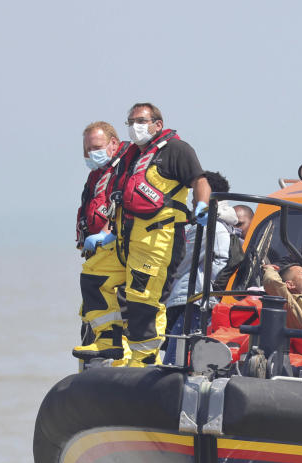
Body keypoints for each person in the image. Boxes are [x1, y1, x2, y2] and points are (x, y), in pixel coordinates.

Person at [75, 102, 212, 366]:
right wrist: (106, 233)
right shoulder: (131, 157)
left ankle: (144, 360)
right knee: (93, 278)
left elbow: (200, 180)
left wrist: (203, 204)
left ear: (157, 124)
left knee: (143, 301)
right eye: (131, 122)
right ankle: (108, 341)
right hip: (125, 239)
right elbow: (119, 200)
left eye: (141, 121)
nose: (135, 127)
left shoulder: (176, 150)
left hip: (158, 240)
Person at [163, 172, 238, 363]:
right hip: (202, 302)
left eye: (196, 192)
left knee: (174, 361)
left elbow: (180, 262)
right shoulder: (225, 226)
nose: (192, 199)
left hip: (195, 303)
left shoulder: (207, 225)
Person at [74, 120, 131, 359]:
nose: (91, 153)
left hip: (116, 244)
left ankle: (120, 349)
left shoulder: (125, 166)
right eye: (87, 149)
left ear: (113, 143)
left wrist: (107, 233)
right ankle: (105, 342)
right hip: (97, 248)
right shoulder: (97, 174)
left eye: (96, 147)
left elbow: (122, 201)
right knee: (94, 299)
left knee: (108, 291)